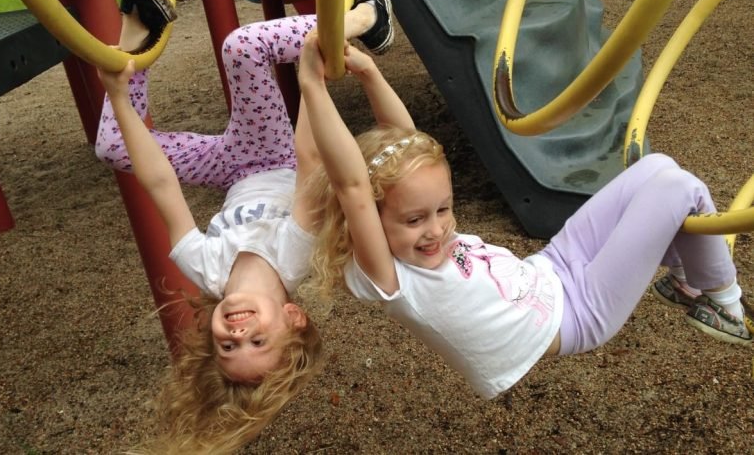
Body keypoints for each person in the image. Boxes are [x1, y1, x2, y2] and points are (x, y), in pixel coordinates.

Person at [297, 22, 752, 401]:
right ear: (370, 222)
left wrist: (371, 74)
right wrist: (311, 86)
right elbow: (352, 185)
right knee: (679, 189)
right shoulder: (388, 276)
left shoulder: (411, 229)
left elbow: (409, 141)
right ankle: (727, 305)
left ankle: (685, 279)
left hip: (551, 267)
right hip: (577, 314)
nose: (435, 229)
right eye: (414, 220)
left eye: (442, 209)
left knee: (658, 167)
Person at [95, 0, 394, 450]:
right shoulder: (294, 256)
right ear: (293, 317)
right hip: (276, 157)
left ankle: (137, 31)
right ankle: (367, 19)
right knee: (242, 47)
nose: (238, 334)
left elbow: (161, 186)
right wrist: (313, 77)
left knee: (113, 146)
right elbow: (311, 160)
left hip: (231, 167)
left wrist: (117, 98)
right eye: (258, 342)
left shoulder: (204, 268)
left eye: (228, 346)